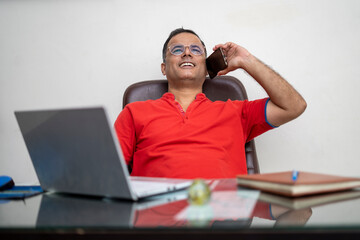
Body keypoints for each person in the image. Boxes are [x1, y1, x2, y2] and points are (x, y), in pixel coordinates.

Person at [114, 28, 307, 179]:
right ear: (164, 68)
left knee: (299, 207)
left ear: (207, 66)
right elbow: (108, 173)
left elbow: (294, 106)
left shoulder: (236, 112)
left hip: (223, 222)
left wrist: (246, 61)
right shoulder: (134, 112)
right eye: (177, 50)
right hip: (156, 222)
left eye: (196, 50)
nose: (187, 53)